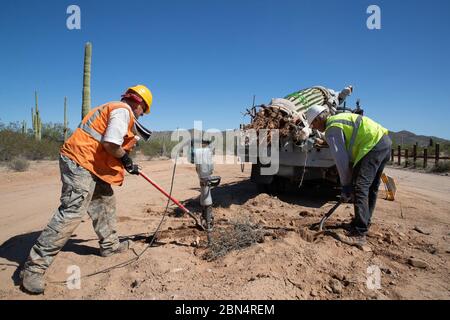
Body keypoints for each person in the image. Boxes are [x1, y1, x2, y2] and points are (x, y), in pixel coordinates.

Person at [20, 85, 153, 294]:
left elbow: (110, 143)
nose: (141, 115)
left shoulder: (116, 110)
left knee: (105, 200)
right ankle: (34, 268)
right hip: (79, 162)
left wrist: (127, 161)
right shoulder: (122, 111)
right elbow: (111, 143)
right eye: (143, 111)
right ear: (139, 104)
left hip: (92, 165)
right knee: (73, 212)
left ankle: (110, 245)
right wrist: (126, 160)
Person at [305, 105, 392, 249]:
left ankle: (359, 232)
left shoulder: (332, 128)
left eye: (313, 123)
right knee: (371, 187)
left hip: (371, 146)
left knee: (360, 187)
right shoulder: (338, 120)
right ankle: (364, 221)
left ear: (319, 119)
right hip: (384, 142)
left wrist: (345, 185)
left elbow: (341, 160)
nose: (314, 127)